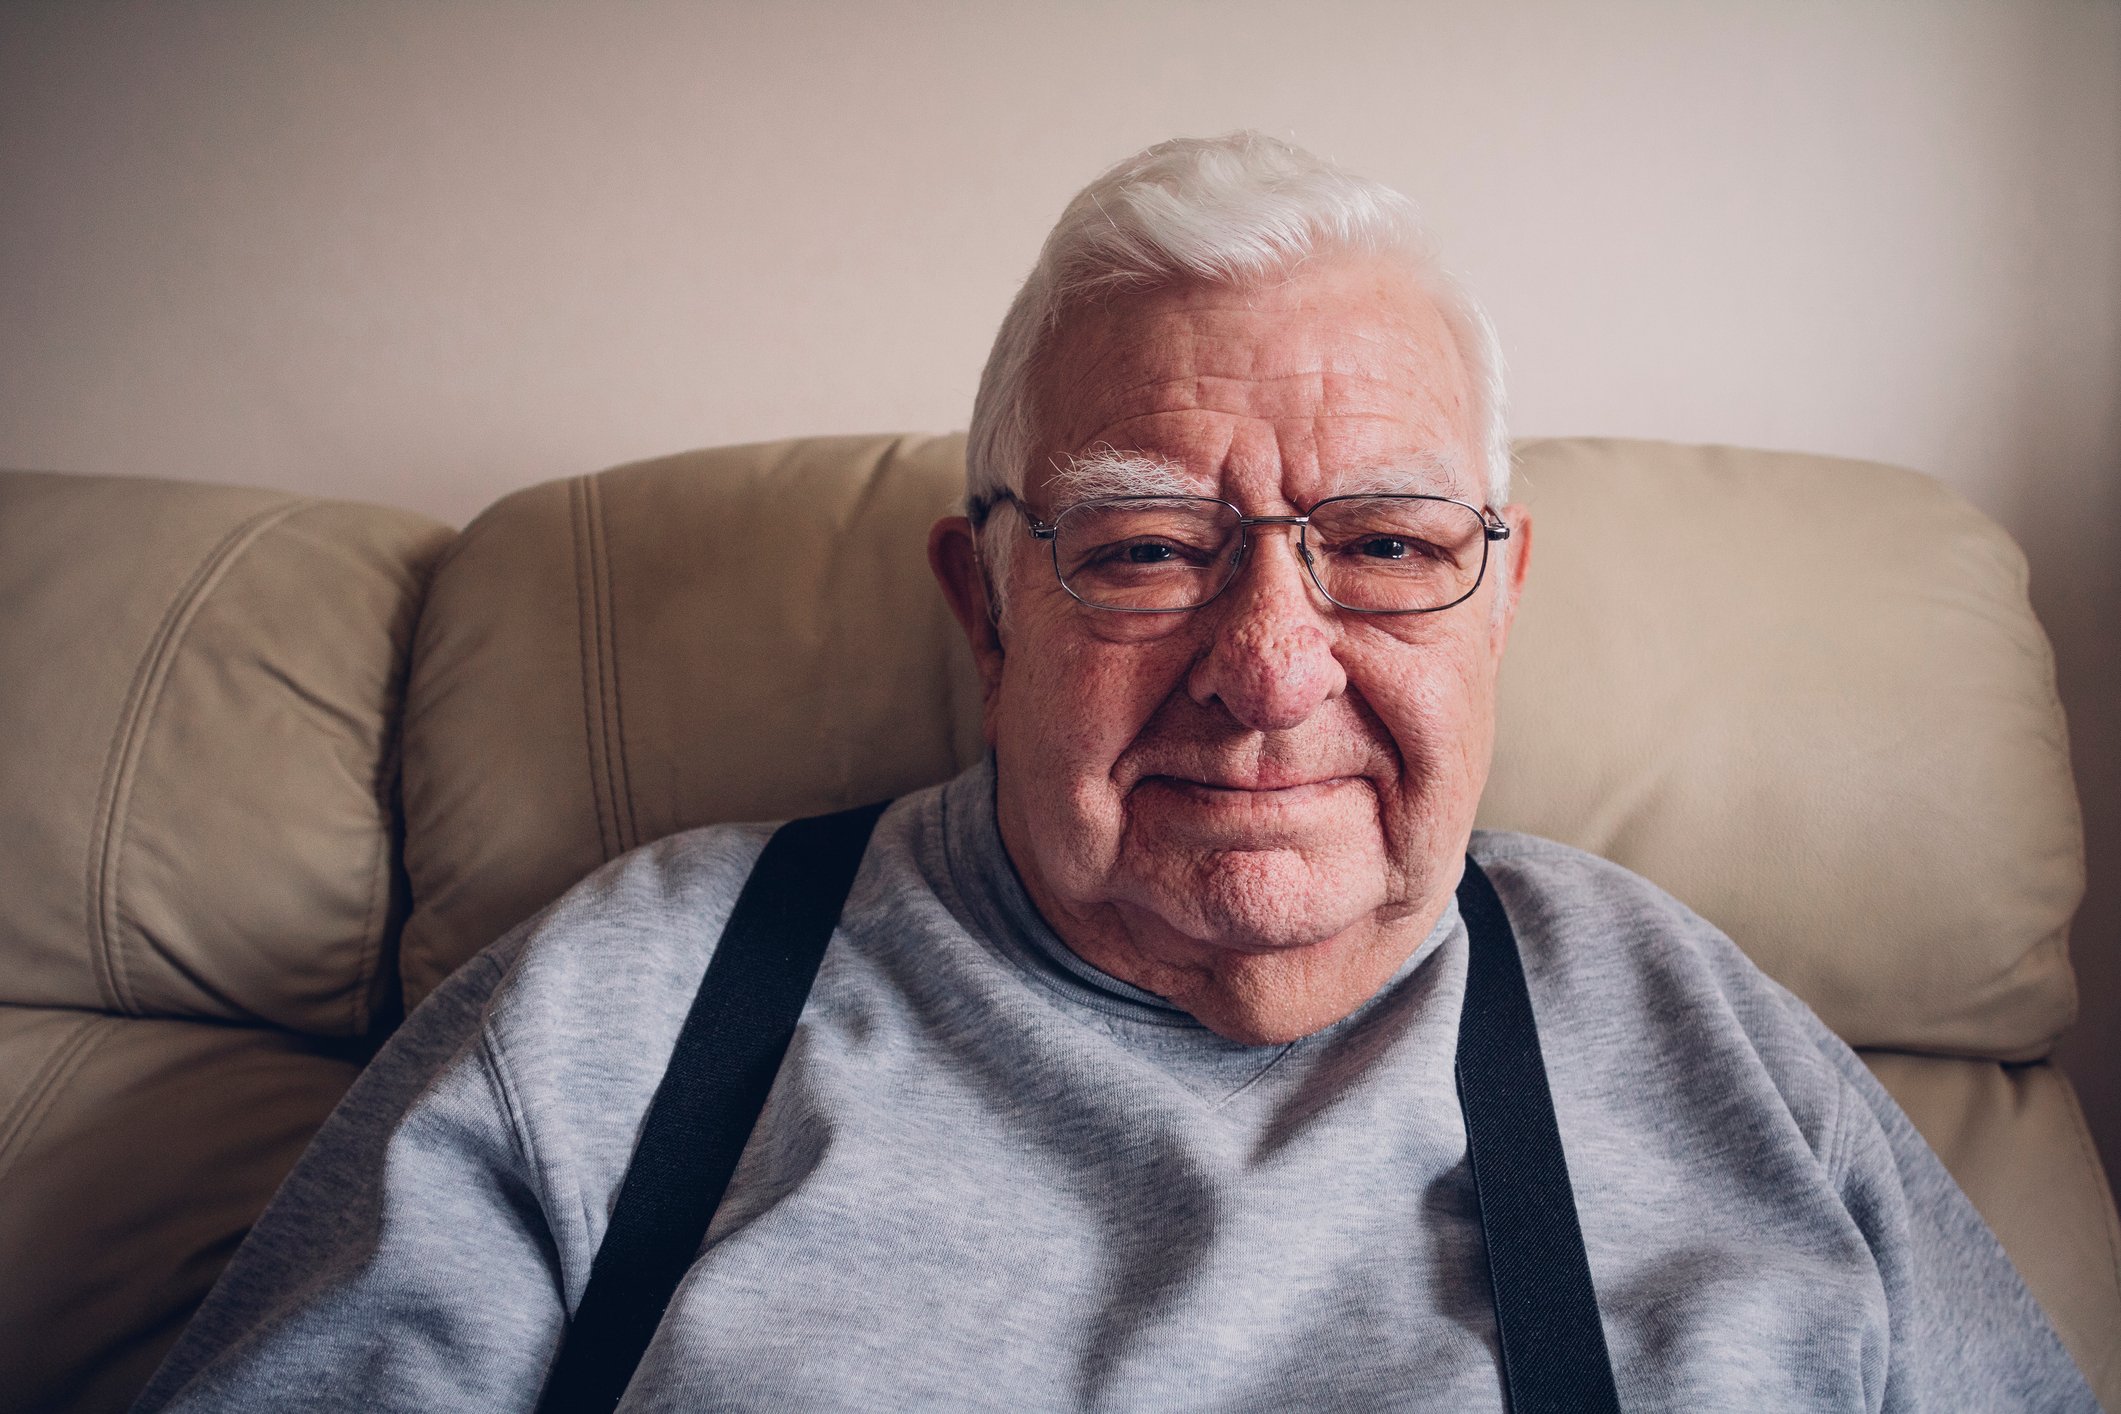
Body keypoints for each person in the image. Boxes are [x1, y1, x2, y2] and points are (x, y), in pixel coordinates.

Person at [135, 134, 2094, 1412]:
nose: (1265, 670)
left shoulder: (1695, 1029)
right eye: (1146, 544)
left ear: (1498, 596)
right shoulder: (626, 1002)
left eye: (1388, 545)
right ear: (985, 606)